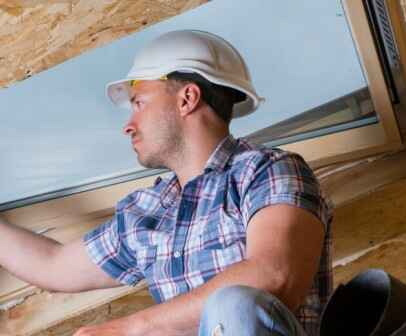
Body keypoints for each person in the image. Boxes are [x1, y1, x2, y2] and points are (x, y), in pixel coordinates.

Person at [0, 30, 332, 336]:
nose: (128, 125)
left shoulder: (265, 171)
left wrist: (130, 328)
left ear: (187, 99)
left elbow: (274, 277)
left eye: (139, 104)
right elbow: (53, 266)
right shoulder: (151, 212)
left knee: (233, 305)